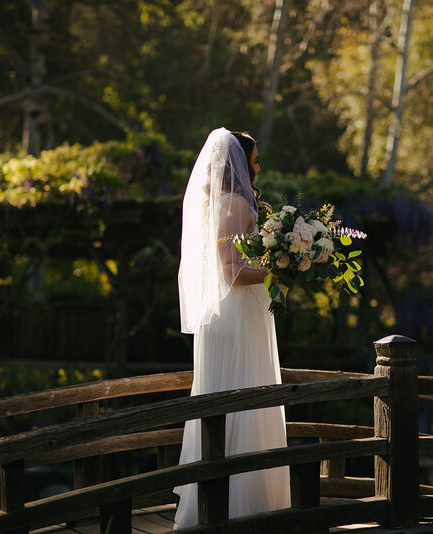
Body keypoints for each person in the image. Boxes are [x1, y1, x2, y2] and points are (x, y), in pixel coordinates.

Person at [174, 128, 290, 528]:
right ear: (238, 165)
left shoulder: (215, 203)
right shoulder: (237, 203)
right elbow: (230, 273)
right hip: (238, 318)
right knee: (244, 397)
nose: (258, 167)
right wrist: (280, 268)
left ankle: (218, 505)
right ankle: (246, 507)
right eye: (254, 160)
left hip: (226, 319)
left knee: (224, 398)